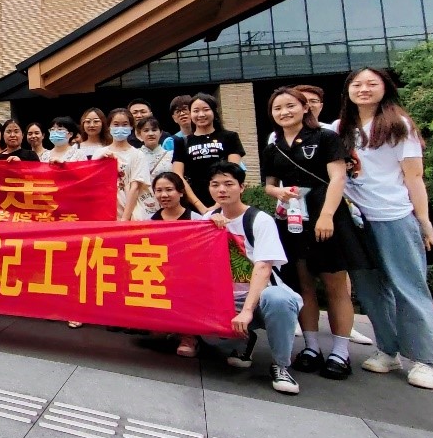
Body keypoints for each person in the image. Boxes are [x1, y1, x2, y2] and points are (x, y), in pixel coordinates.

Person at [336, 68, 433, 390]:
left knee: (408, 287)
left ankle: (424, 359)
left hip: (393, 216)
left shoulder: (398, 125)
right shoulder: (341, 128)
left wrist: (423, 219)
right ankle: (388, 350)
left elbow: (414, 176)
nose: (364, 89)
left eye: (372, 84)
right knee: (370, 290)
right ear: (348, 91)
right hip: (356, 219)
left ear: (385, 88)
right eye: (357, 84)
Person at [262, 87, 370, 380]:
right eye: (277, 108)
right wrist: (278, 192)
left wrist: (326, 215)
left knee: (335, 285)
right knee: (302, 284)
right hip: (293, 219)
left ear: (304, 108)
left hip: (326, 215)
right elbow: (269, 185)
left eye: (290, 106)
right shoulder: (273, 147)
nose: (284, 112)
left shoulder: (325, 137)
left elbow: (338, 177)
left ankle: (340, 352)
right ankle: (311, 347)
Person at [205, 161, 303, 395]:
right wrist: (209, 227)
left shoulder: (259, 220)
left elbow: (263, 267)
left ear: (242, 187)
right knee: (205, 329)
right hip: (227, 299)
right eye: (215, 184)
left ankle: (281, 365)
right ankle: (244, 342)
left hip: (259, 299)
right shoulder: (207, 219)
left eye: (228, 184)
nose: (221, 190)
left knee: (279, 299)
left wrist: (248, 310)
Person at [147, 171, 200, 357]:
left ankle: (189, 336)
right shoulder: (149, 221)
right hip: (161, 275)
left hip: (189, 277)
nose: (164, 195)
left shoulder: (197, 220)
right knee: (156, 332)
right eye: (159, 190)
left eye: (169, 190)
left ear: (181, 192)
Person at [171, 93, 245, 214]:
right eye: (196, 111)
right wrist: (199, 206)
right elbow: (177, 175)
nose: (201, 114)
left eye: (206, 109)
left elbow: (234, 171)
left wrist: (218, 205)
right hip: (194, 205)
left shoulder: (230, 137)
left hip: (226, 202)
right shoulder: (182, 142)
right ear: (190, 113)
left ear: (214, 111)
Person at [123, 117, 173, 220]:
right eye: (146, 130)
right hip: (141, 204)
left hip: (166, 201)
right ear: (139, 134)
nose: (150, 134)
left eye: (154, 130)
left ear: (161, 133)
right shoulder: (133, 155)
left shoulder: (171, 155)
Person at [101, 109, 142, 218]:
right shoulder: (100, 152)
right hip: (104, 209)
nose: (120, 128)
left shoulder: (138, 155)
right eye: (116, 124)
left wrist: (125, 218)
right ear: (109, 127)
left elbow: (135, 187)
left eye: (125, 124)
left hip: (128, 210)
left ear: (131, 127)